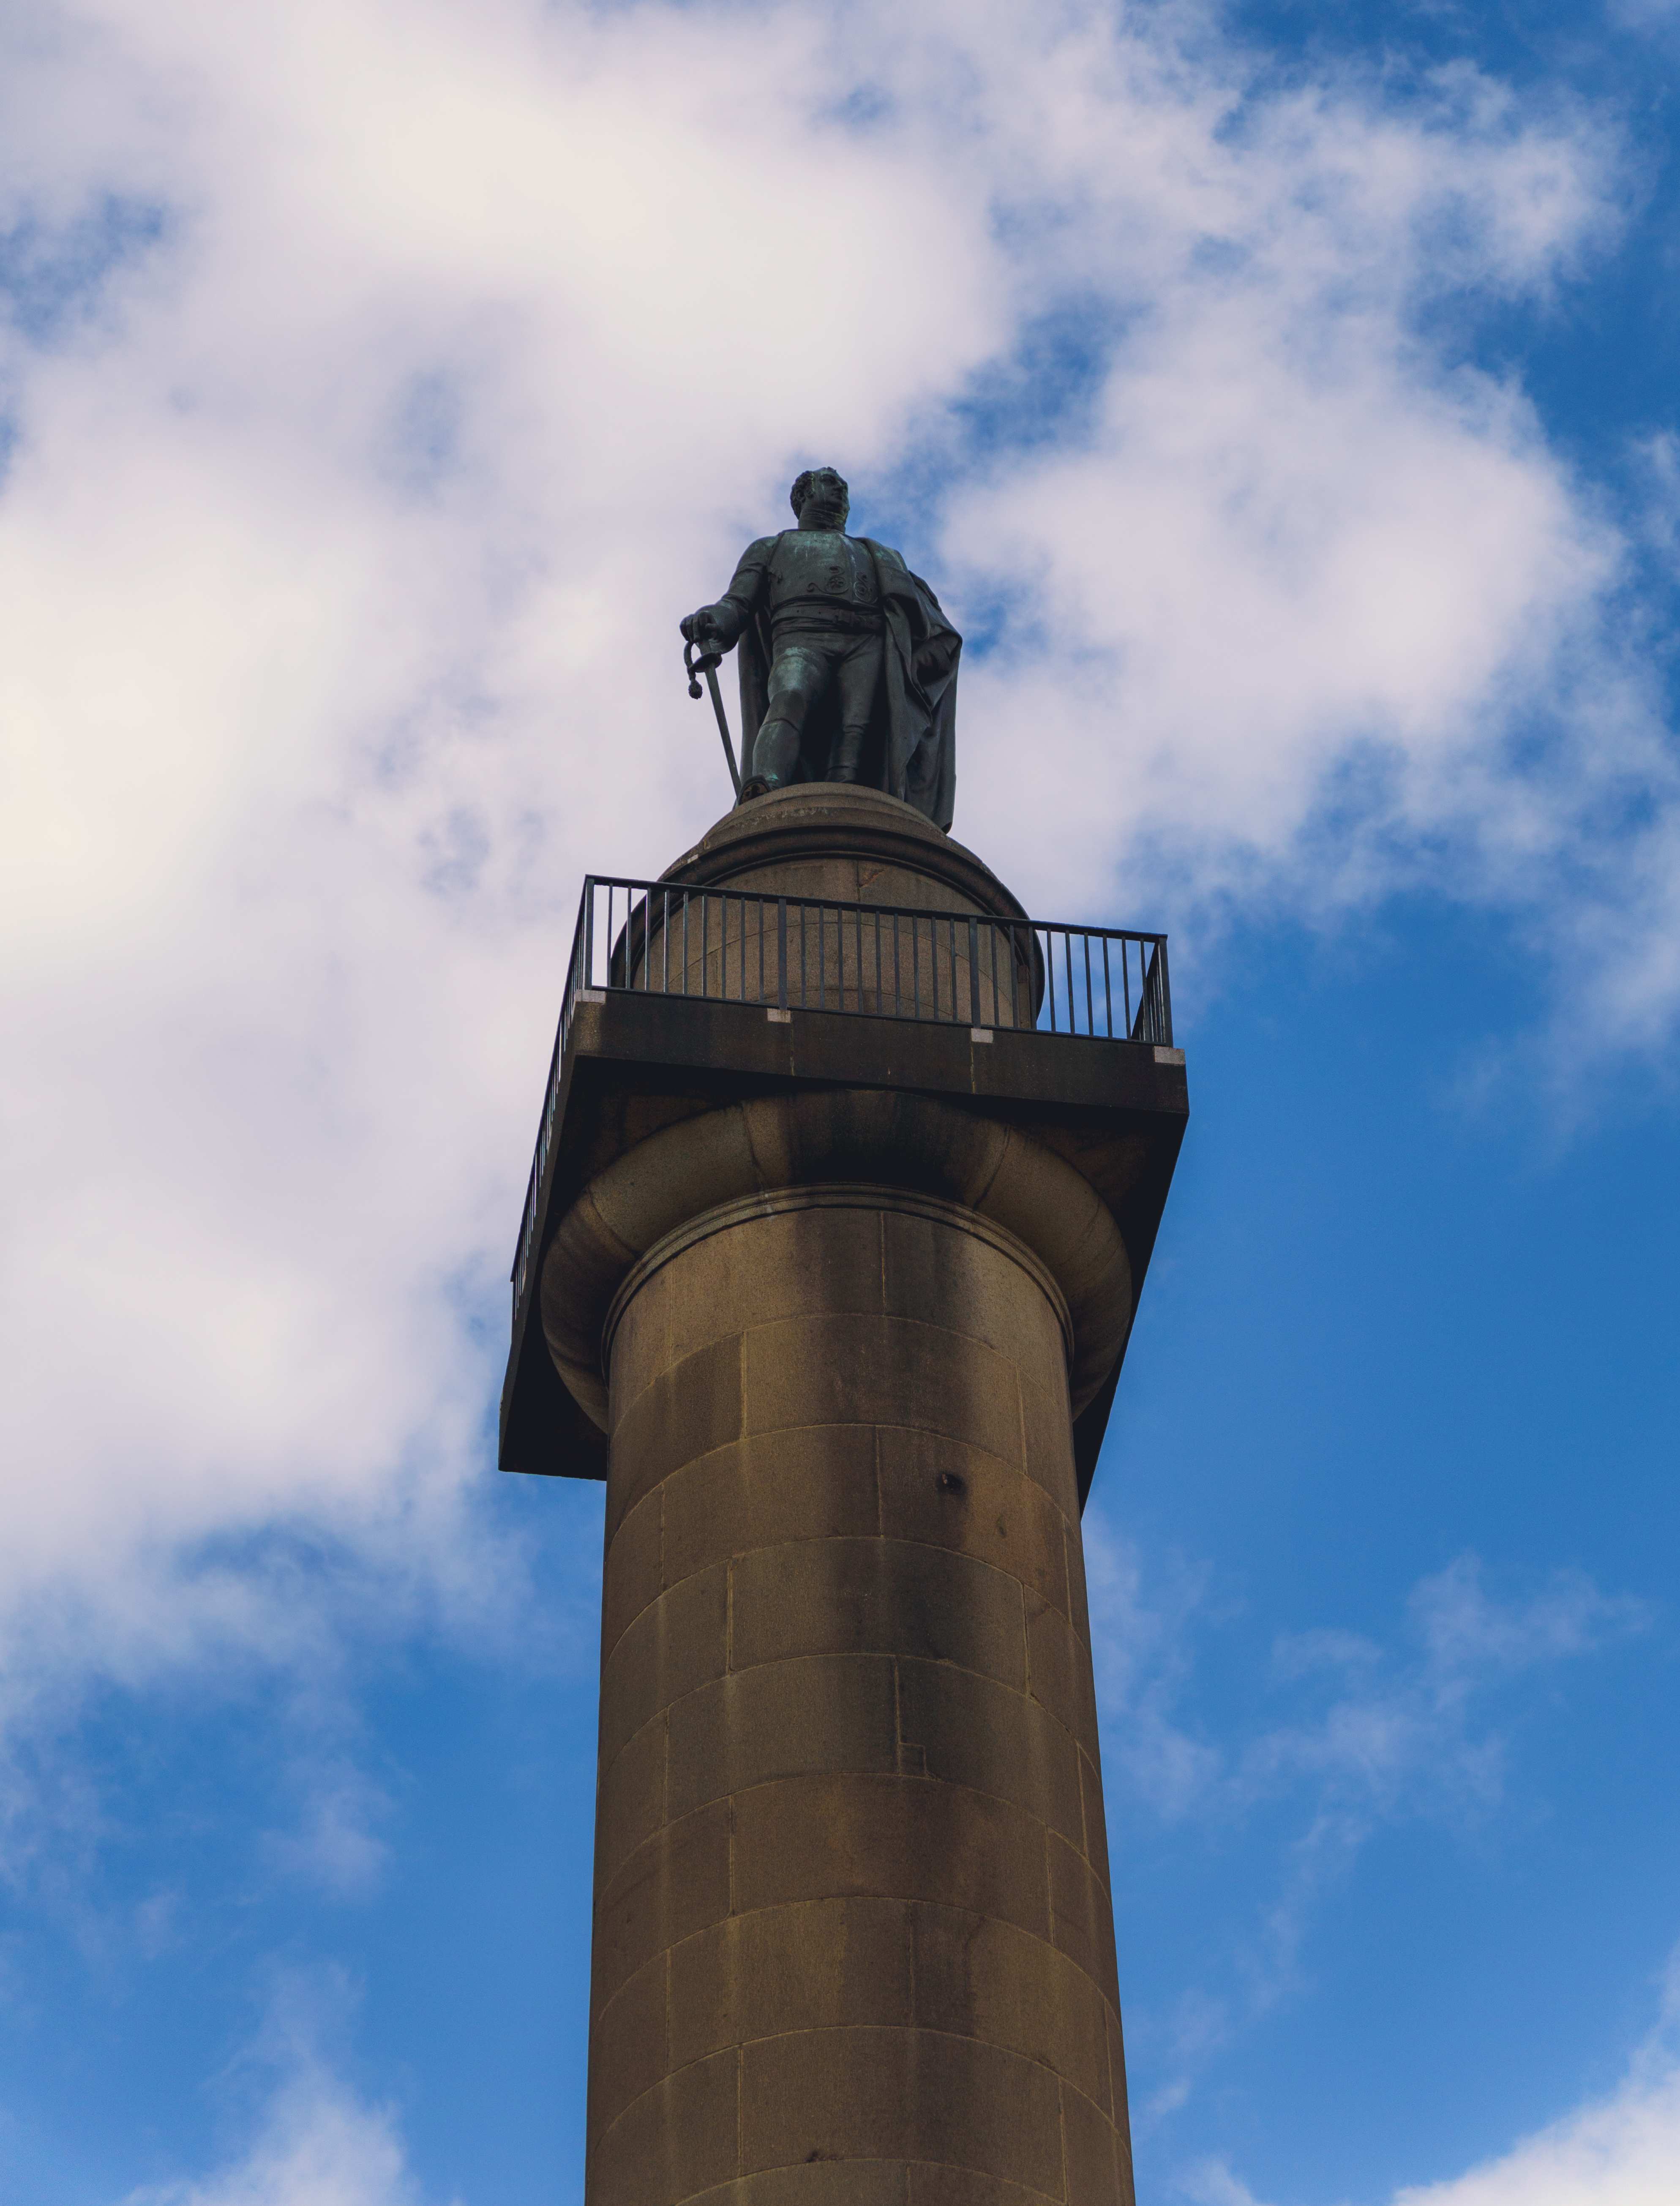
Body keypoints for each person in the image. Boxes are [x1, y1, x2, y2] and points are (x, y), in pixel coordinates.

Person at [681, 466, 961, 829]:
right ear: (803, 496)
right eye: (830, 483)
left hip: (866, 641)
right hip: (801, 635)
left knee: (856, 728)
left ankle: (846, 806)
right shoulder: (771, 547)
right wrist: (713, 619)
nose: (841, 490)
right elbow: (737, 604)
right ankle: (765, 783)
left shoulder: (875, 552)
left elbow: (917, 615)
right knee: (790, 696)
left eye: (844, 487)